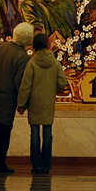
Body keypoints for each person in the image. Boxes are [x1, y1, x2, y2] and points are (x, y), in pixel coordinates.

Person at [0, 22, 34, 174]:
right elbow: (19, 83)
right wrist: (22, 103)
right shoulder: (22, 57)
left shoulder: (0, 47)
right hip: (5, 100)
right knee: (3, 132)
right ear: (28, 39)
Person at [17, 32, 68, 174]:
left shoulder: (31, 63)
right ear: (48, 45)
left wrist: (21, 104)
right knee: (47, 133)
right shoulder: (55, 63)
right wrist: (54, 90)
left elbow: (25, 85)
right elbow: (62, 82)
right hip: (48, 102)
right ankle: (46, 165)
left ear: (34, 47)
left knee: (34, 134)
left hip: (34, 102)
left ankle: (36, 165)